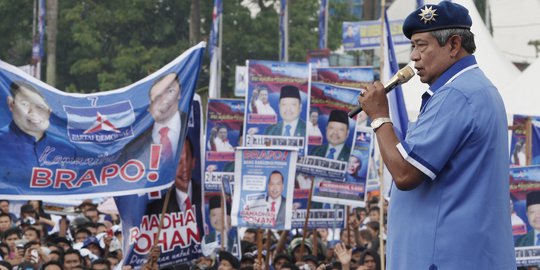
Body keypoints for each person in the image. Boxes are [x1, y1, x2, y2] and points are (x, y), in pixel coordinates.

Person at [357, 2, 515, 268]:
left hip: (445, 258)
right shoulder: (476, 88)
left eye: (422, 45)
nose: (414, 57)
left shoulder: (456, 94)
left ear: (453, 45)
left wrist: (379, 117)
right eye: (412, 47)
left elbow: (405, 173)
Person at [0, 81, 76, 177]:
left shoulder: (66, 149)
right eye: (25, 104)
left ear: (49, 111)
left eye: (39, 106)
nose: (33, 112)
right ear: (11, 104)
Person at [145, 137, 204, 239]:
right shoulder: (156, 208)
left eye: (187, 160)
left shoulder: (206, 199)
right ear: (169, 167)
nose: (184, 169)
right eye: (178, 162)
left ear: (194, 162)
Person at [124, 73, 187, 162]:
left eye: (170, 91)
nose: (165, 100)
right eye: (158, 97)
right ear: (150, 103)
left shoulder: (191, 122)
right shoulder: (137, 136)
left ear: (179, 93)